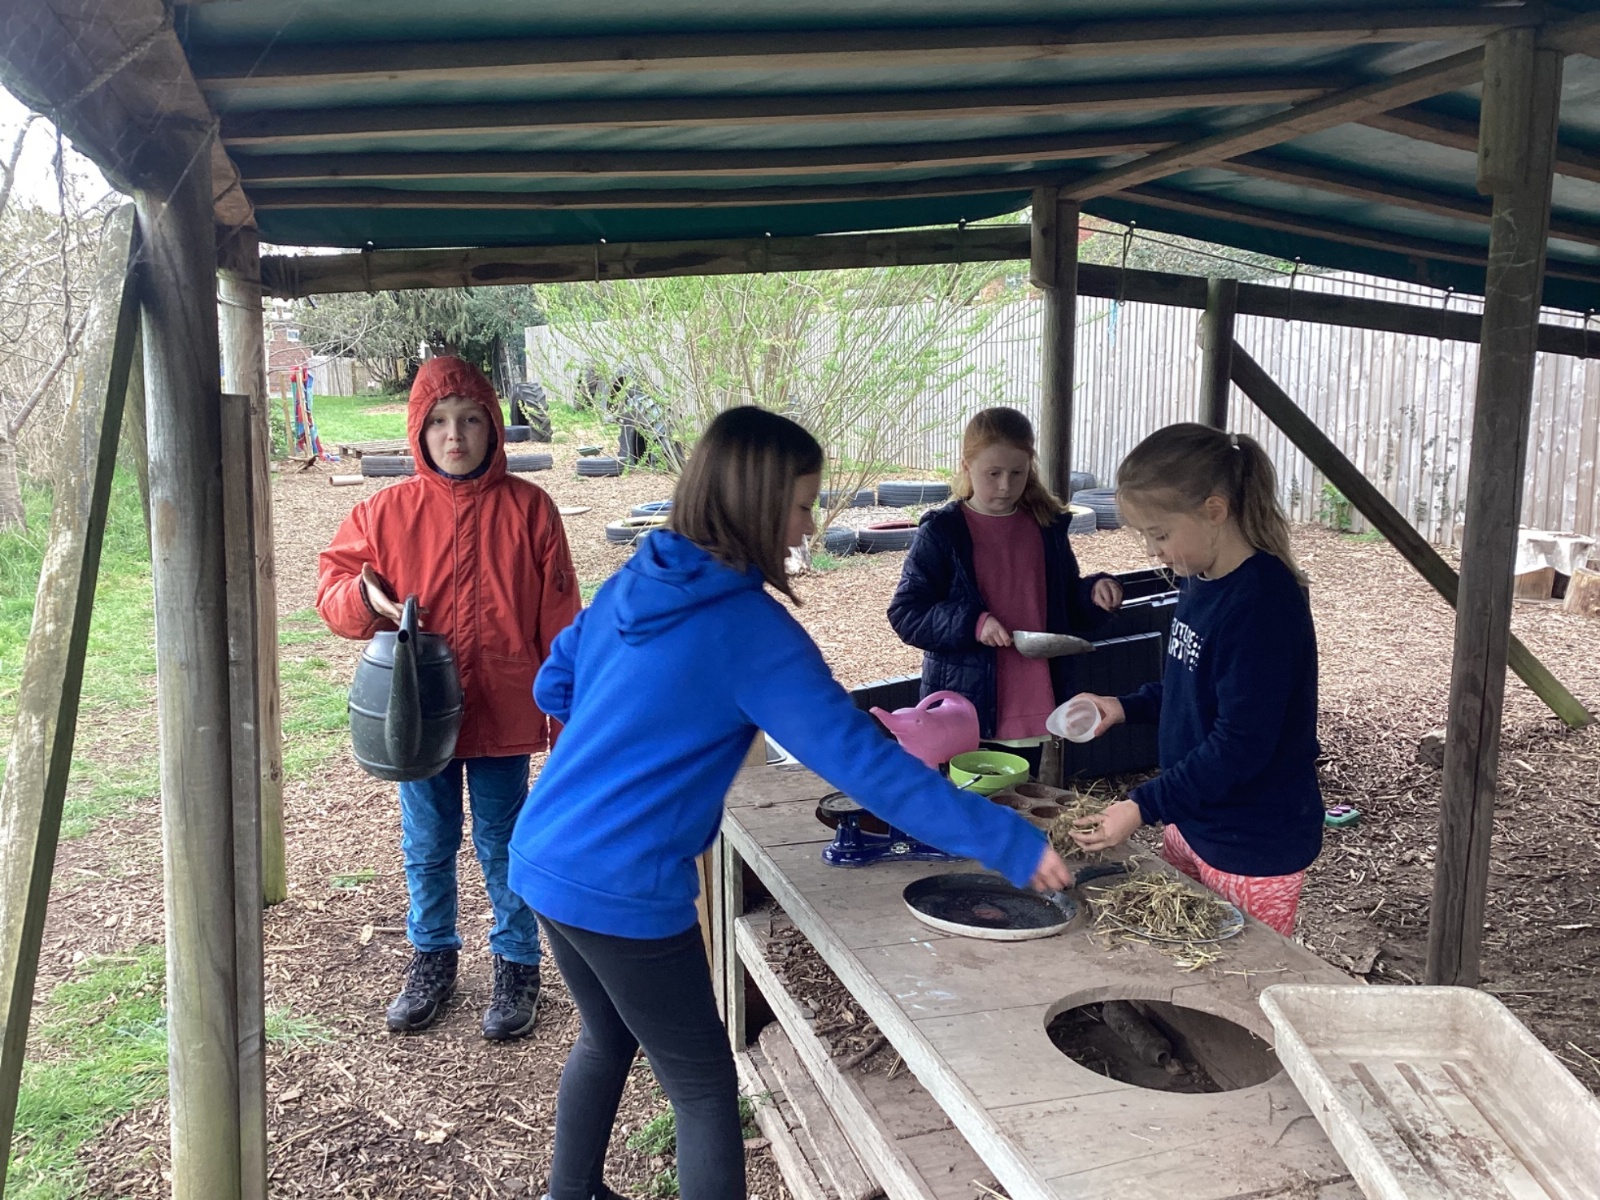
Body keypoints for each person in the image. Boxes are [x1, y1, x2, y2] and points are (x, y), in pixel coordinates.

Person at [508, 406, 1072, 1200]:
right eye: (803, 503)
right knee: (703, 1089)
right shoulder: (751, 632)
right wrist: (1007, 840)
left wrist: (637, 723)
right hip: (622, 882)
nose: (810, 522)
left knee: (606, 1037)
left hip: (544, 850)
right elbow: (869, 768)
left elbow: (555, 683)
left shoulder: (641, 575)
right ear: (756, 503)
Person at [317, 356, 580, 1039]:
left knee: (504, 840)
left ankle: (517, 962)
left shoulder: (531, 511)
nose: (454, 435)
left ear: (493, 426)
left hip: (502, 708)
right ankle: (432, 955)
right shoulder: (383, 513)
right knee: (427, 840)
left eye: (469, 419)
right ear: (418, 430)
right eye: (437, 422)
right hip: (417, 714)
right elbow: (334, 591)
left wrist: (569, 725)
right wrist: (364, 599)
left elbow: (561, 625)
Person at [1067, 423, 1321, 937]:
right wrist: (1125, 706)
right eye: (1144, 536)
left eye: (1159, 535)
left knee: (1241, 971)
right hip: (1195, 818)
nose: (1151, 551)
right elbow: (1193, 690)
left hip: (1251, 840)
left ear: (1214, 510)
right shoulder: (1200, 577)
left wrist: (1141, 805)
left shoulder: (1262, 606)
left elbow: (1241, 743)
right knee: (1182, 950)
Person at [887, 407, 1122, 767]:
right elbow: (907, 613)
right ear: (966, 467)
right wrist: (973, 623)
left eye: (1017, 473)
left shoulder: (1045, 526)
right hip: (964, 705)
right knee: (964, 796)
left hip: (1034, 698)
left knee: (1018, 792)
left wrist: (1094, 594)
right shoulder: (943, 531)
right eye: (993, 473)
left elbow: (1065, 605)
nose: (1005, 486)